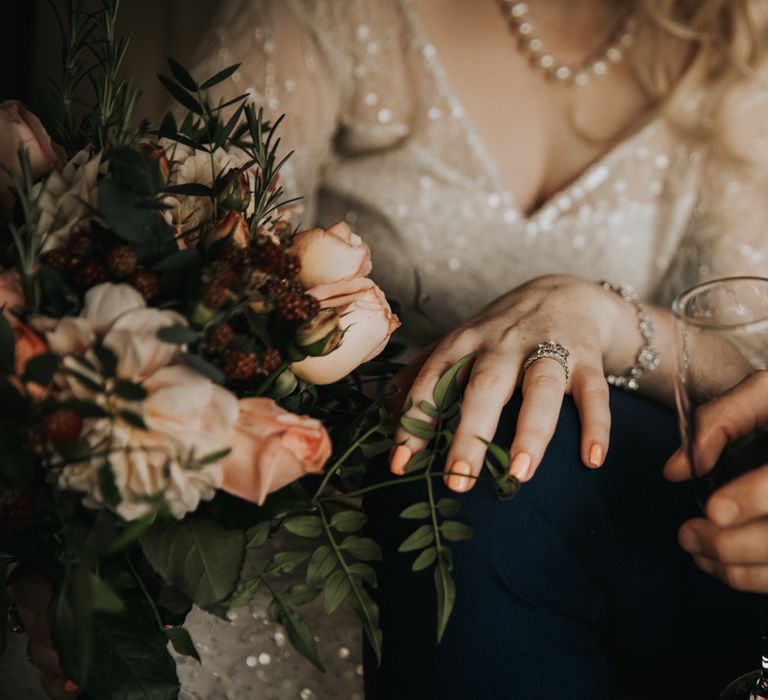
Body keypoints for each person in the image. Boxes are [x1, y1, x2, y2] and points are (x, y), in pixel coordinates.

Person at [9, 0, 768, 698]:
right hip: (337, 541)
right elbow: (168, 277)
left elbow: (752, 372)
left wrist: (602, 318)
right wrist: (85, 545)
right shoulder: (329, 17)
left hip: (580, 563)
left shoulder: (730, 50)